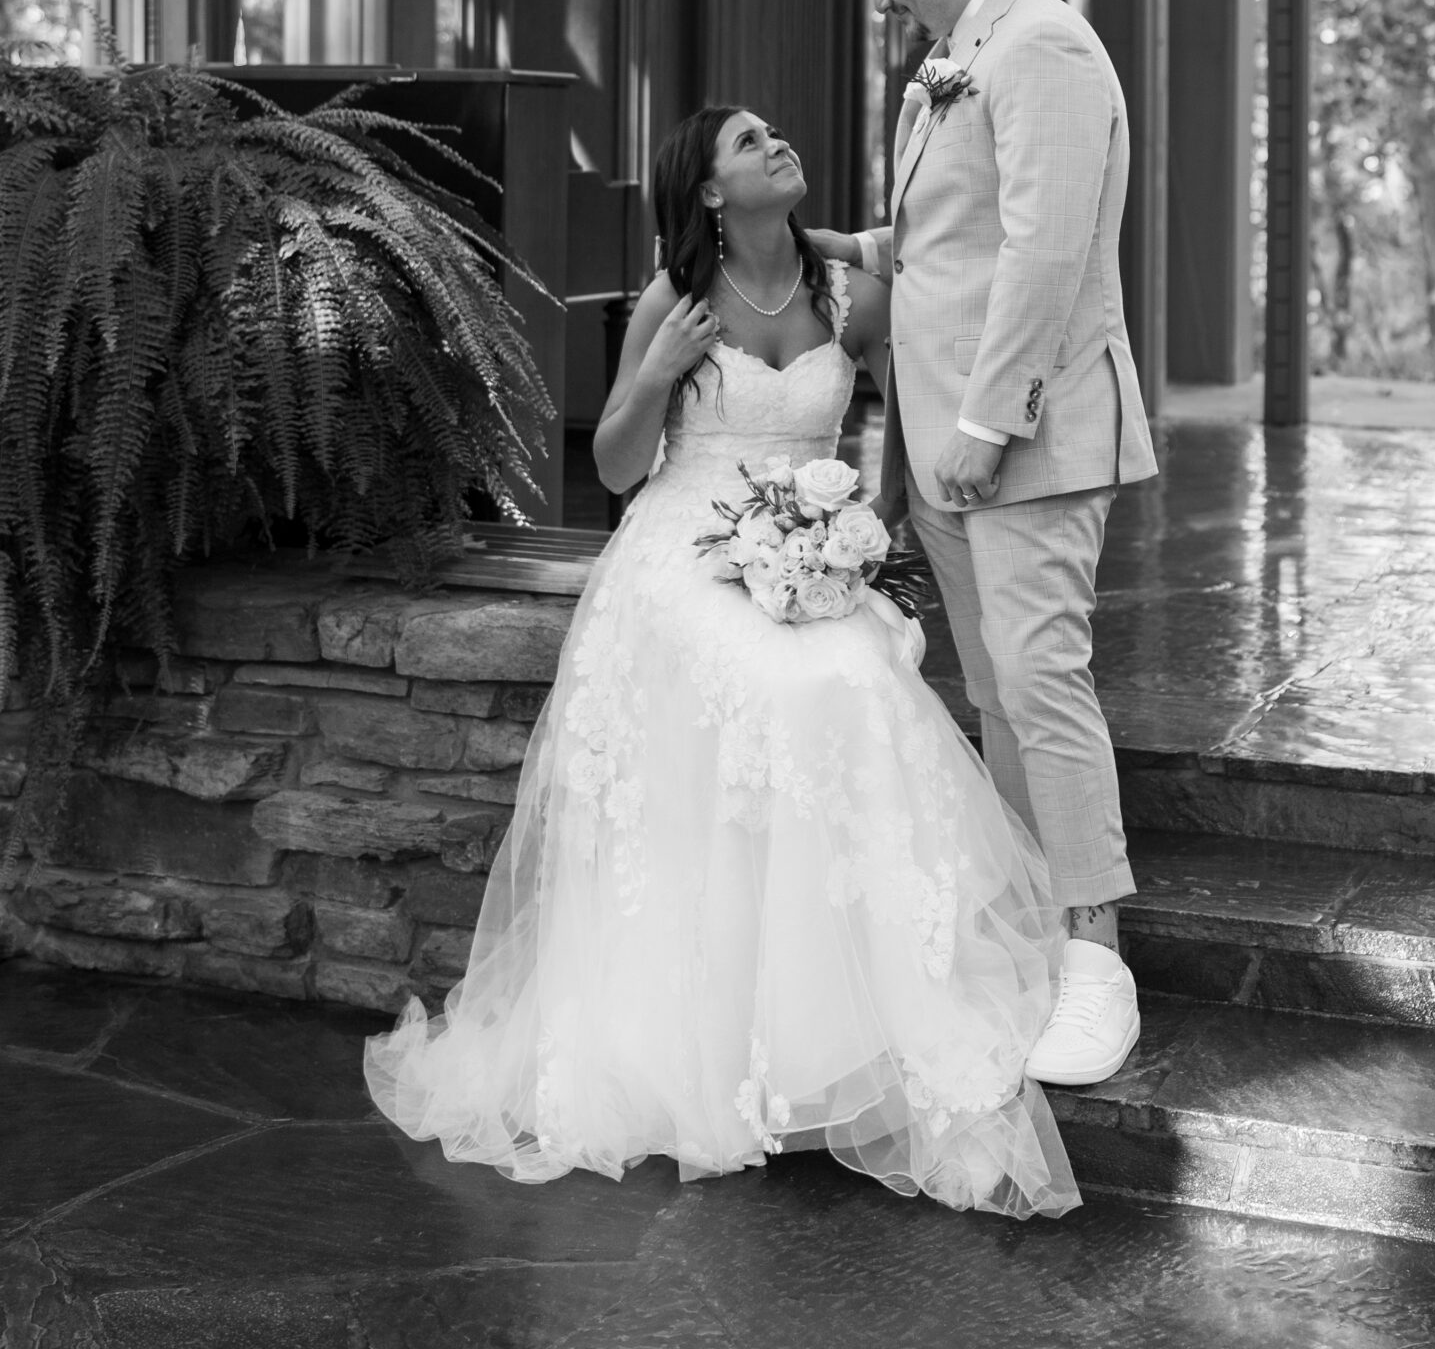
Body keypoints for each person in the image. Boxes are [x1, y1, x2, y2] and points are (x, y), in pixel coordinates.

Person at [364, 104, 1080, 1219]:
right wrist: (657, 370)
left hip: (810, 539)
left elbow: (900, 400)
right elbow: (611, 463)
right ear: (707, 192)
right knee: (776, 686)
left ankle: (848, 1020)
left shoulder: (850, 292)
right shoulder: (677, 299)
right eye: (748, 142)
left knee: (852, 679)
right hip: (685, 550)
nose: (779, 143)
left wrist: (870, 520)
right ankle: (720, 1041)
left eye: (775, 133)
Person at [816, 0, 1156, 1088]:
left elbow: (1046, 252)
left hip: (1028, 433)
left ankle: (1096, 955)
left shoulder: (1043, 49)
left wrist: (985, 419)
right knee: (999, 694)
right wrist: (846, 245)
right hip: (951, 443)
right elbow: (954, 233)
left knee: (1042, 680)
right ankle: (1035, 923)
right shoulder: (957, 59)